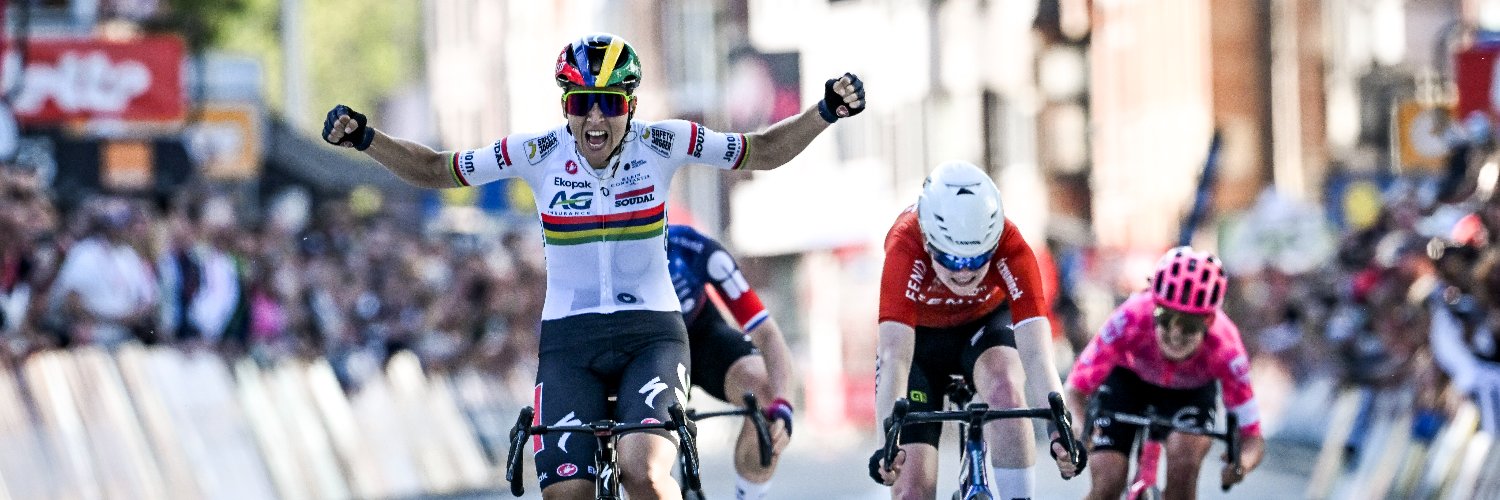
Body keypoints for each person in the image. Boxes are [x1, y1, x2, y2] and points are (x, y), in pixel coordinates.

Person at [323, 33, 864, 500]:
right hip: (570, 341)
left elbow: (761, 150)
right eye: (583, 103)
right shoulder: (535, 153)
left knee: (643, 472)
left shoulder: (665, 141)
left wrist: (825, 111)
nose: (596, 118)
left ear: (632, 103)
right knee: (566, 492)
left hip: (652, 335)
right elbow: (437, 169)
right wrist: (367, 139)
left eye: (610, 103)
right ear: (566, 105)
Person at [868, 161, 1080, 500]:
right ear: (928, 241)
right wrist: (886, 447)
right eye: (952, 260)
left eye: (978, 259)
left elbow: (1038, 357)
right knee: (911, 488)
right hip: (921, 344)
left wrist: (1060, 429)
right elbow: (894, 357)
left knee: (1006, 388)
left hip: (984, 330)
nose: (965, 272)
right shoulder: (905, 242)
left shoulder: (1012, 245)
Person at [1062, 246, 1267, 500]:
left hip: (1190, 394)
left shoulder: (1226, 346)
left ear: (1209, 321)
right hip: (1128, 382)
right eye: (1166, 317)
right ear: (1154, 305)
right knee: (1108, 480)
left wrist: (1240, 465)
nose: (1176, 333)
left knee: (1184, 462)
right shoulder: (1130, 317)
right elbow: (1075, 389)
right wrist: (1079, 425)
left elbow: (1252, 436)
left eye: (1190, 324)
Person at [666, 224, 794, 499]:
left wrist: (783, 403)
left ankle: (750, 494)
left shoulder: (690, 247)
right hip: (640, 349)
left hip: (702, 336)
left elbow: (768, 334)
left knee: (764, 393)